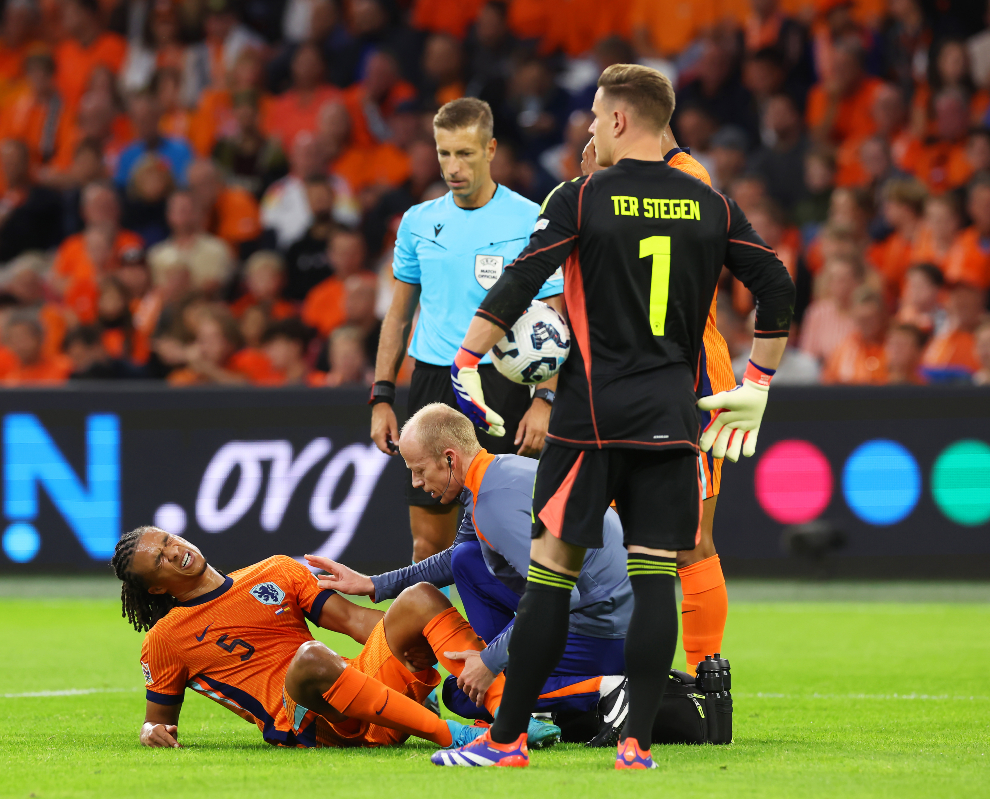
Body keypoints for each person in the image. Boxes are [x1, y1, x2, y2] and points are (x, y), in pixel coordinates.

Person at [441, 64, 795, 769]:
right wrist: (759, 380)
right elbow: (776, 285)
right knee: (656, 573)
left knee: (551, 576)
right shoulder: (710, 203)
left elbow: (519, 279)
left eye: (597, 119)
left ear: (621, 121)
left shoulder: (581, 196)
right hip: (673, 419)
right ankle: (636, 744)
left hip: (590, 422)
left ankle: (505, 741)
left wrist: (467, 359)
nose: (592, 131)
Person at [308, 404, 629, 745]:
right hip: (608, 614)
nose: (417, 484)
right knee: (466, 559)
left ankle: (609, 688)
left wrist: (489, 662)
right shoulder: (495, 476)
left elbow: (558, 595)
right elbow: (452, 561)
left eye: (419, 470)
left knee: (464, 693)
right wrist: (374, 583)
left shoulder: (494, 504)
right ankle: (540, 697)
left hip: (605, 632)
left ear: (450, 459)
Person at [109, 527, 547, 750]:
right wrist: (152, 732)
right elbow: (159, 719)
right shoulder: (165, 638)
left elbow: (358, 622)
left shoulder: (277, 569)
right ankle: (454, 735)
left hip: (362, 692)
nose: (175, 550)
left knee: (420, 597)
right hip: (313, 722)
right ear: (157, 589)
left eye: (168, 540)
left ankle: (509, 717)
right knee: (310, 657)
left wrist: (418, 646)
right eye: (161, 559)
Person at [370, 97, 564, 566]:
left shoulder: (527, 218)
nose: (453, 167)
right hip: (435, 385)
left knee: (509, 542)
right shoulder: (418, 222)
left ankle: (511, 642)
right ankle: (434, 642)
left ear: (491, 148)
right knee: (428, 547)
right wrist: (381, 397)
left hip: (506, 384)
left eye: (465, 154)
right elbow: (397, 316)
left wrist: (545, 399)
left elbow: (555, 317)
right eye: (444, 154)